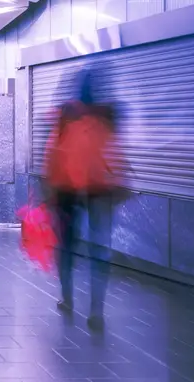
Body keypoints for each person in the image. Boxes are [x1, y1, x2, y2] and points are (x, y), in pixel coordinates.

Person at [44, 70, 116, 331]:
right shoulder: (107, 114)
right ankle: (97, 310)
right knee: (100, 250)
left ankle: (67, 297)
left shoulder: (66, 114)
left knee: (65, 246)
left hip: (67, 189)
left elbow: (53, 150)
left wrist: (49, 188)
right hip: (99, 188)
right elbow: (114, 149)